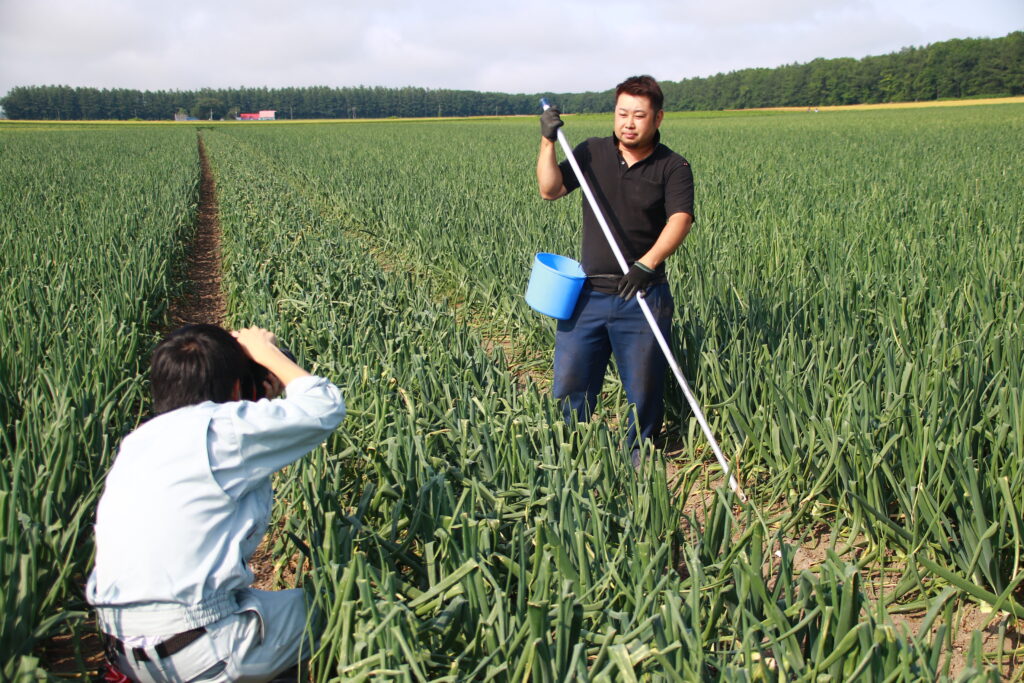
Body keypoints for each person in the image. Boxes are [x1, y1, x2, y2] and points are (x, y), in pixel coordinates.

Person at [86, 324, 346, 682]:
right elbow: (324, 406)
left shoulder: (139, 441)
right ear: (236, 385)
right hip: (197, 649)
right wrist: (266, 352)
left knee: (269, 611)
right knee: (345, 606)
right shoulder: (220, 429)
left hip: (128, 651)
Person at [536, 75, 695, 465]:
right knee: (571, 379)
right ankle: (567, 453)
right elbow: (550, 190)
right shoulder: (590, 152)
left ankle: (639, 457)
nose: (628, 122)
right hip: (588, 294)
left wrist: (647, 263)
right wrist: (547, 141)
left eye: (638, 115)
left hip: (642, 295)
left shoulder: (673, 167)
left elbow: (680, 219)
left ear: (657, 118)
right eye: (622, 113)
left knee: (643, 386)